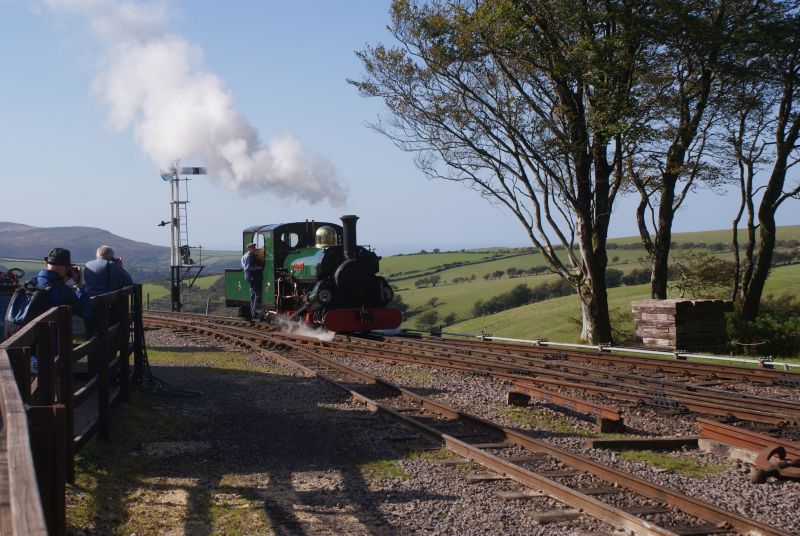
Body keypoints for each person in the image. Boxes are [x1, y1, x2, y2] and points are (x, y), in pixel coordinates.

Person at [37, 248, 92, 322]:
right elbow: (86, 313)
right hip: (52, 333)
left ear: (46, 265)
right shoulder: (64, 292)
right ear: (67, 269)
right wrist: (79, 285)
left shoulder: (32, 283)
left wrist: (61, 281)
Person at [241, 242, 263, 319]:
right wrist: (258, 268)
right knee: (257, 294)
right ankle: (254, 312)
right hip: (252, 277)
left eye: (254, 247)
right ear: (250, 248)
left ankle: (252, 312)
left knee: (253, 295)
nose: (254, 249)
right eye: (253, 248)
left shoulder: (245, 256)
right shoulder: (248, 256)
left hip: (249, 277)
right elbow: (247, 268)